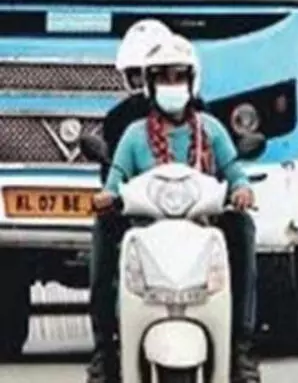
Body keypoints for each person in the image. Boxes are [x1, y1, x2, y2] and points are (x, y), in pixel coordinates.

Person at [87, 34, 260, 383]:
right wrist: (107, 198)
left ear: (192, 81)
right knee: (104, 230)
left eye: (179, 76)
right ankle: (105, 350)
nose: (172, 84)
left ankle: (240, 347)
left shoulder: (211, 131)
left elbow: (235, 173)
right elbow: (115, 180)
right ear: (150, 84)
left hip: (202, 226)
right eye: (163, 77)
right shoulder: (134, 135)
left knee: (242, 228)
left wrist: (242, 190)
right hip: (147, 230)